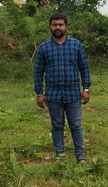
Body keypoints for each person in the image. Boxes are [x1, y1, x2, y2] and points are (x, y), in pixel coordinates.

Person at [34, 13, 91, 163]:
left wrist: (86, 89)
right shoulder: (44, 48)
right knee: (57, 125)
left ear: (66, 26)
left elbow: (84, 68)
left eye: (60, 24)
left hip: (73, 94)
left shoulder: (76, 45)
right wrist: (39, 93)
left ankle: (80, 156)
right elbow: (38, 72)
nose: (57, 27)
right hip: (53, 95)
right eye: (54, 24)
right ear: (50, 27)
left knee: (76, 124)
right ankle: (60, 155)